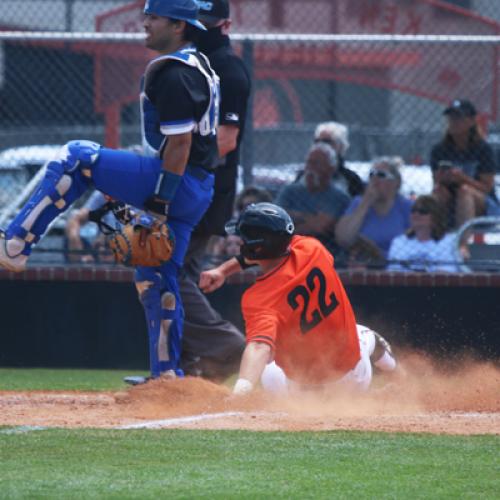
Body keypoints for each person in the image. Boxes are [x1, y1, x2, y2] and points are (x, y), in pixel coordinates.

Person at [0, 0, 220, 381]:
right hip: (197, 185)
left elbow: (180, 144)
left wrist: (159, 204)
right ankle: (167, 375)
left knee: (77, 157)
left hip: (178, 181)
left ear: (179, 24)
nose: (145, 22)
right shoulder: (196, 63)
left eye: (154, 16)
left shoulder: (176, 73)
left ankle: (14, 244)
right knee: (157, 278)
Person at [199, 203, 397, 395]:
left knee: (268, 357)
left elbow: (259, 347)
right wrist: (224, 270)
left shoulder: (259, 298)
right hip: (353, 380)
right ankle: (398, 375)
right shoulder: (313, 249)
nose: (240, 242)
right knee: (363, 333)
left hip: (300, 394)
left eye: (243, 239)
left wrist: (240, 394)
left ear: (256, 249)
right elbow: (272, 248)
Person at [173, 0, 251, 381]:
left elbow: (226, 140)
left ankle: (227, 347)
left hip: (207, 187)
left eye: (207, 21)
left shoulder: (227, 68)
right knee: (177, 270)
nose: (199, 28)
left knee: (169, 273)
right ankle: (188, 366)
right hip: (194, 184)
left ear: (225, 24)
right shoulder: (194, 63)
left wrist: (175, 170)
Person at [430, 99, 499, 228]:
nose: (453, 122)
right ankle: (437, 240)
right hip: (451, 198)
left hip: (483, 204)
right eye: (450, 117)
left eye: (458, 117)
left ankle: (462, 244)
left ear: (472, 121)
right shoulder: (439, 150)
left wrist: (463, 179)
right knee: (439, 192)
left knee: (464, 191)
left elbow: (487, 188)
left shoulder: (483, 149)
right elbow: (436, 183)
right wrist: (442, 179)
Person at [335, 156, 413, 264]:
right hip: (364, 265)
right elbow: (343, 239)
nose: (374, 180)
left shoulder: (406, 207)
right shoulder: (358, 203)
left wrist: (378, 253)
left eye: (381, 175)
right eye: (372, 174)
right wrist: (365, 203)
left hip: (396, 266)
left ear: (396, 182)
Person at [275, 142, 350, 253]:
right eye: (308, 163)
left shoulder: (339, 197)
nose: (310, 168)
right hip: (290, 250)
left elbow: (320, 227)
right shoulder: (290, 191)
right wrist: (311, 217)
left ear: (331, 169)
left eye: (316, 164)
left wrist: (293, 219)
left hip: (326, 252)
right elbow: (277, 222)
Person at [387, 195, 461, 273]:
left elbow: (446, 274)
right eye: (413, 210)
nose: (416, 214)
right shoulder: (399, 242)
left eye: (423, 211)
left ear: (435, 216)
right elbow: (394, 273)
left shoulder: (449, 241)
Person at [313, 121, 365, 197]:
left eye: (327, 142)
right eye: (317, 141)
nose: (321, 145)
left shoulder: (350, 179)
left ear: (341, 146)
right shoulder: (304, 175)